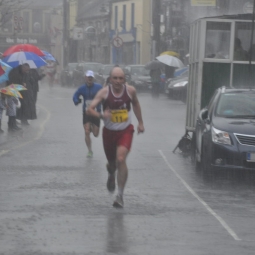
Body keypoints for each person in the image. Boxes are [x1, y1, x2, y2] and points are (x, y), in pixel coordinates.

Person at [87, 67, 145, 208]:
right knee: (112, 164)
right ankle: (111, 173)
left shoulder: (130, 91)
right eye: (115, 78)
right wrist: (102, 116)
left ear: (124, 79)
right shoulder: (104, 93)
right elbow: (89, 109)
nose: (118, 81)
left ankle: (120, 196)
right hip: (109, 132)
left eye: (121, 78)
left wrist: (140, 122)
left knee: (121, 159)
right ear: (110, 79)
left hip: (125, 131)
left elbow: (136, 103)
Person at [73, 70, 102, 158]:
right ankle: (89, 150)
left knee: (96, 134)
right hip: (86, 112)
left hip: (96, 112)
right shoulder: (82, 88)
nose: (89, 79)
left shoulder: (98, 87)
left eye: (91, 77)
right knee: (86, 131)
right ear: (85, 78)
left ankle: (92, 126)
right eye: (88, 77)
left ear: (93, 78)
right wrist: (76, 101)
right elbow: (75, 95)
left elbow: (105, 95)